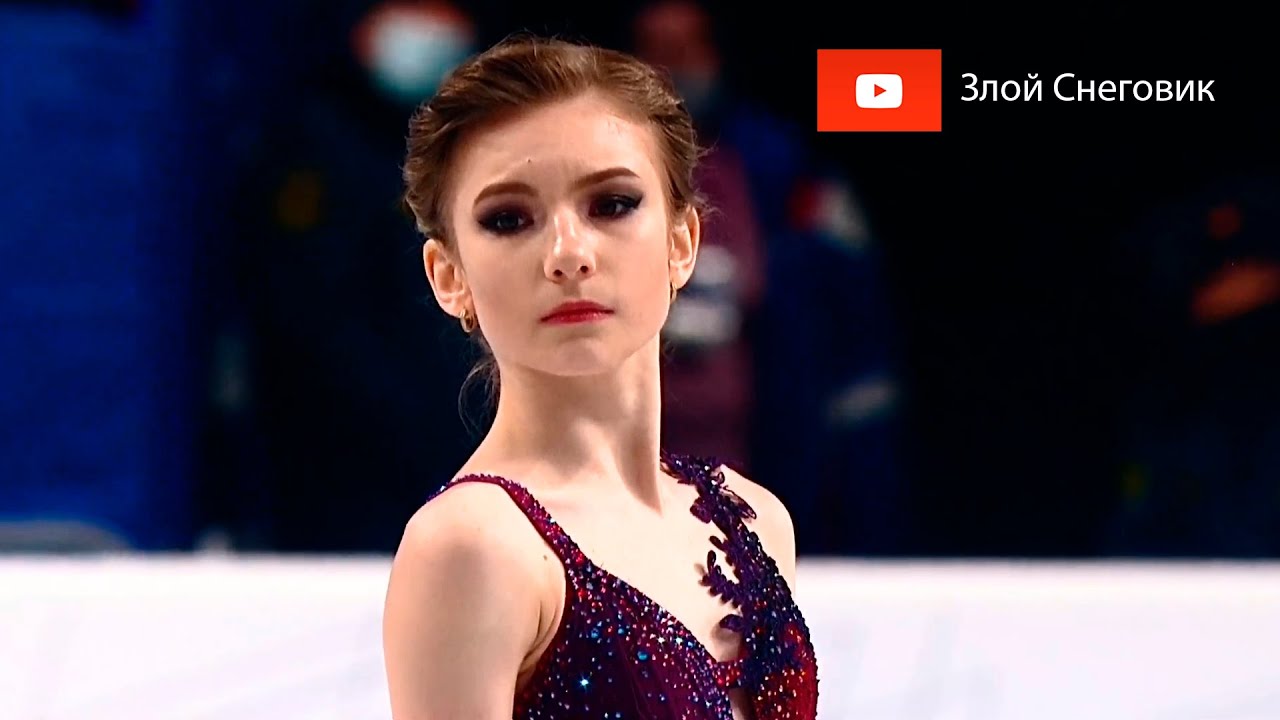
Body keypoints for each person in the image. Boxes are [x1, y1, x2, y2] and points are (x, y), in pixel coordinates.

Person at [381, 34, 820, 720]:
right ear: (448, 276)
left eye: (611, 204)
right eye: (509, 219)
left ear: (683, 243)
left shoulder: (756, 521)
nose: (568, 253)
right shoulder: (471, 547)